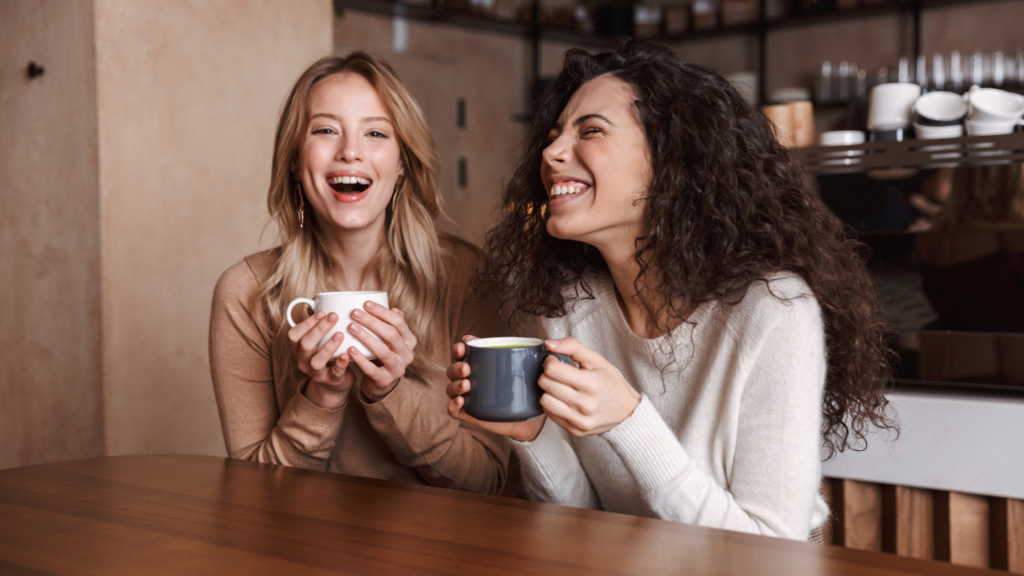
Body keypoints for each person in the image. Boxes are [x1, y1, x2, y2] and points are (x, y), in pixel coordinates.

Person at [445, 40, 896, 539]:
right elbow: (584, 512)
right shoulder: (572, 303)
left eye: (590, 130)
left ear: (672, 159)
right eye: (553, 136)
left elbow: (771, 553)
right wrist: (533, 435)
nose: (550, 153)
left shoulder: (774, 312)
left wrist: (629, 421)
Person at [209, 53, 508, 494]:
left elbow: (490, 482)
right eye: (326, 130)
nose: (350, 151)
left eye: (375, 133)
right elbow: (255, 492)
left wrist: (391, 393)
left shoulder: (466, 277)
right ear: (294, 159)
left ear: (403, 162)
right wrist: (321, 397)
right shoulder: (246, 293)